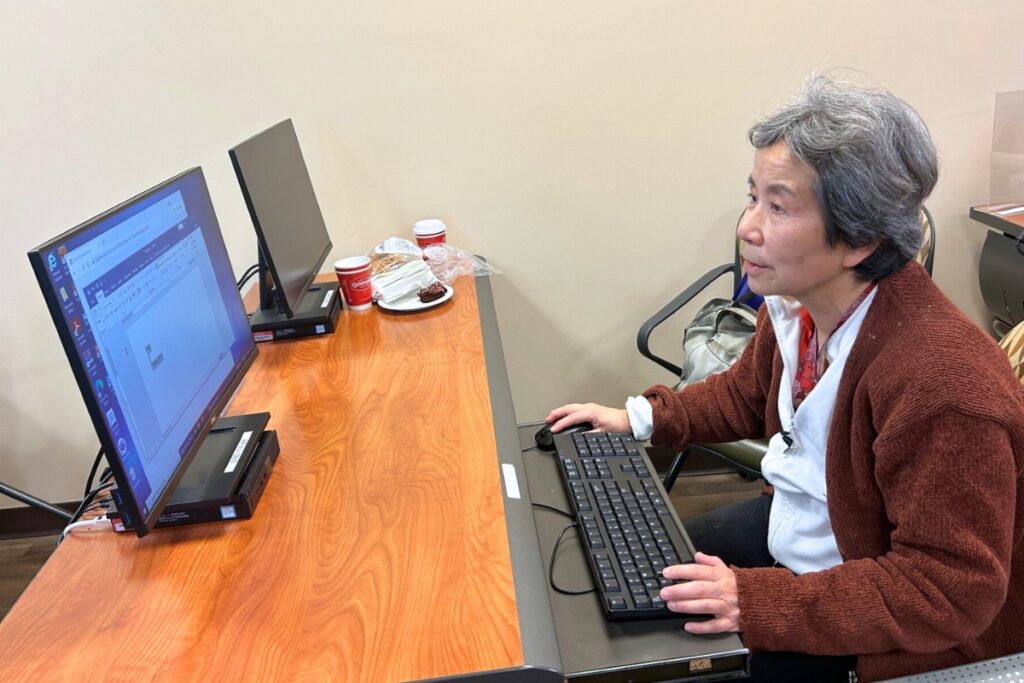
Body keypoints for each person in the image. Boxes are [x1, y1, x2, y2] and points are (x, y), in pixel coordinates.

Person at [547, 75, 1024, 682]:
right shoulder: (798, 307)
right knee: (646, 587)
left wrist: (755, 601)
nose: (748, 226)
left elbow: (948, 591)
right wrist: (638, 419)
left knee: (687, 644)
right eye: (753, 196)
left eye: (778, 206)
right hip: (827, 533)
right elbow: (746, 393)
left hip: (915, 626)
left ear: (861, 238)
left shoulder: (945, 384)